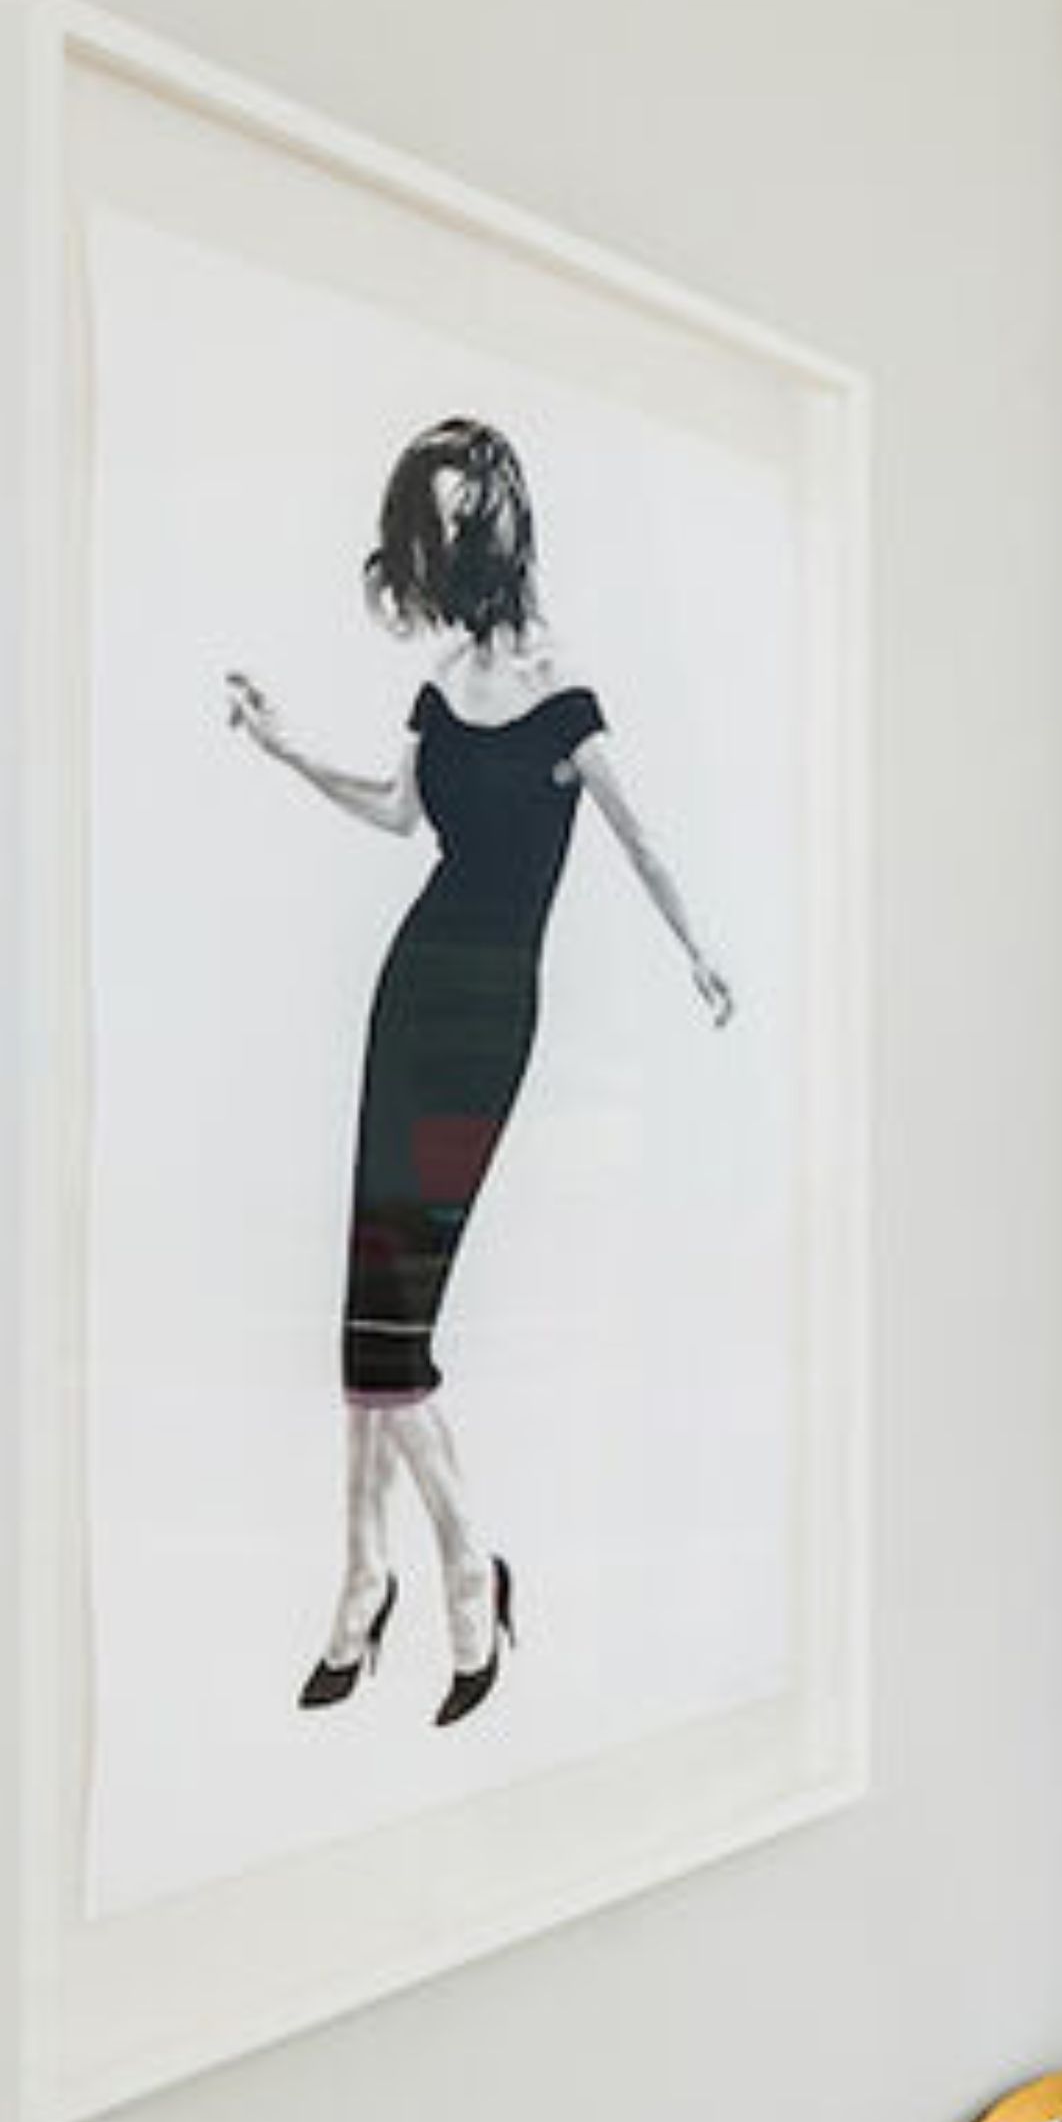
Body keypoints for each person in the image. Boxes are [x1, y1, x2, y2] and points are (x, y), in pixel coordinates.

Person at [227, 417, 731, 1722]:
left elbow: (641, 837)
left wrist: (698, 953)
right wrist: (284, 748)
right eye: (428, 524)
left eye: (456, 519)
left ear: (498, 523)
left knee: (400, 1309)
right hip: (410, 993)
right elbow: (397, 812)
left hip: (489, 1013)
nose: (444, 546)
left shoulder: (565, 695)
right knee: (372, 1303)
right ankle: (371, 1576)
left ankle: (451, 1566)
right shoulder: (439, 687)